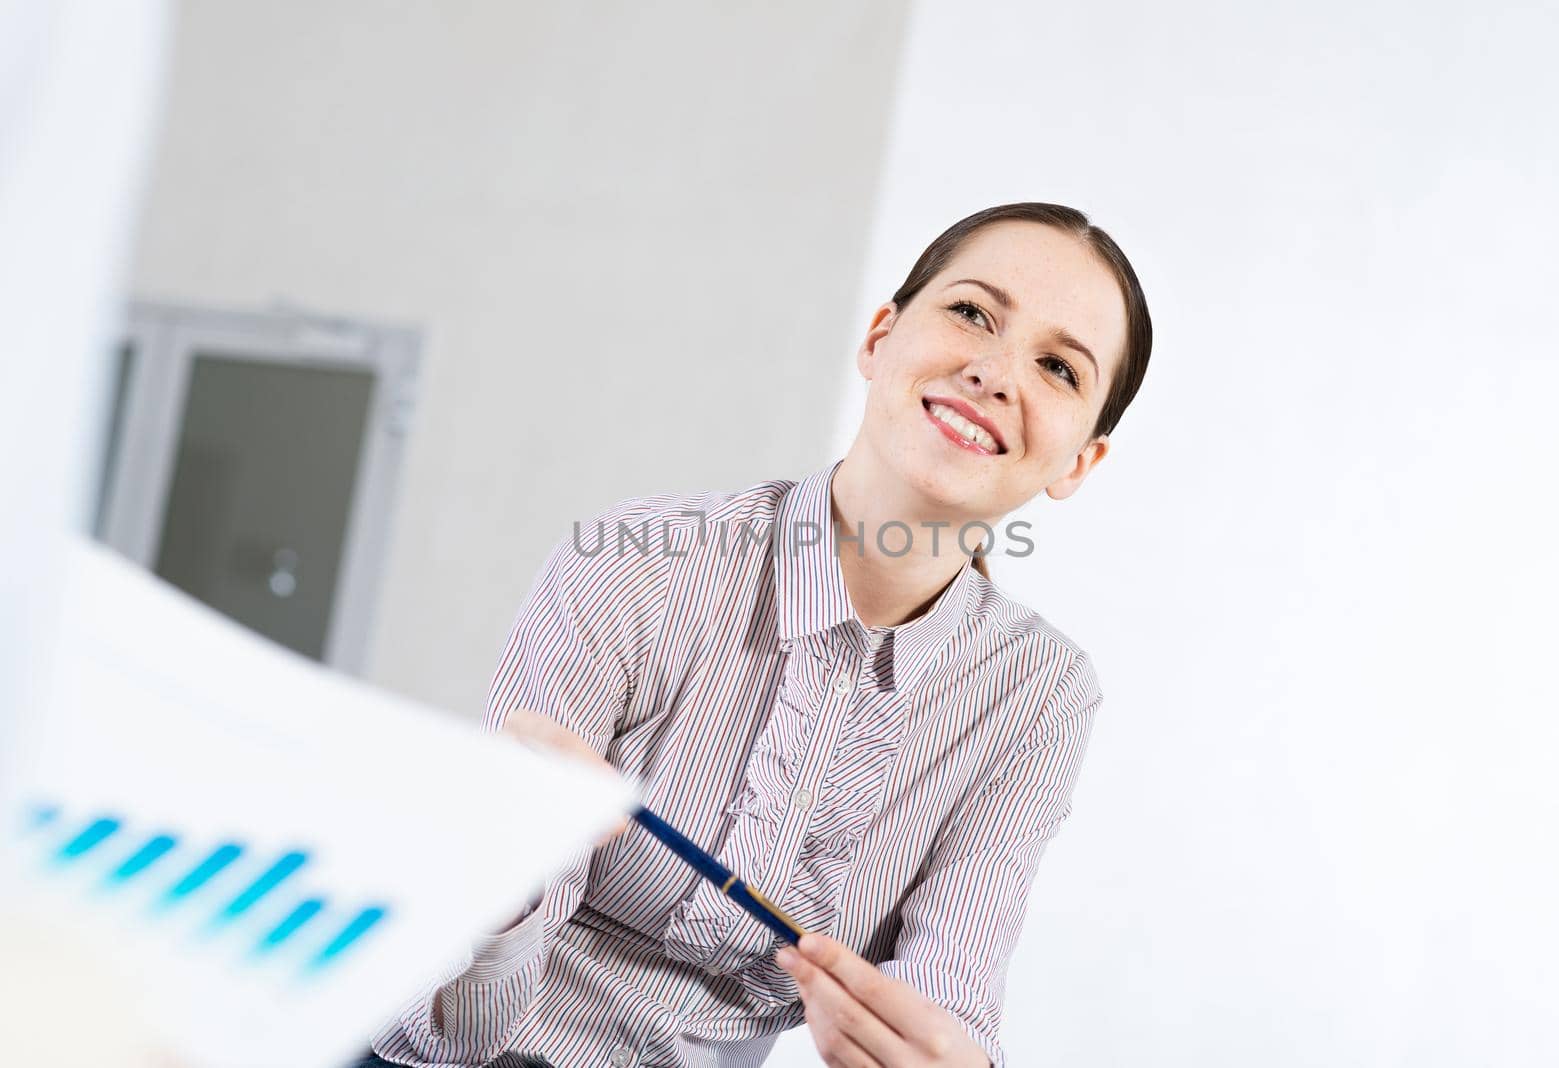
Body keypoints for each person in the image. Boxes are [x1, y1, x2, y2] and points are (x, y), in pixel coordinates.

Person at [359, 202, 1152, 1067]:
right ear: (881, 338)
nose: (997, 373)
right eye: (971, 313)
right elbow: (440, 1034)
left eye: (1058, 368)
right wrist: (507, 868)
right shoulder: (637, 564)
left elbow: (951, 1001)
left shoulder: (1040, 695)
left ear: (1081, 461)